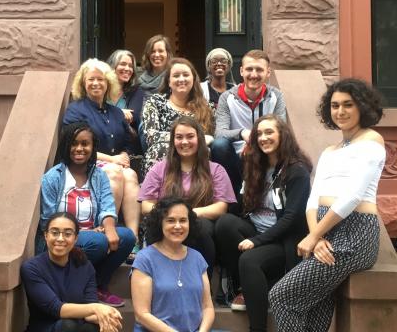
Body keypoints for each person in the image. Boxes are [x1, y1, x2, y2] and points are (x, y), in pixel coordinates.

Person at [269, 78, 386, 332]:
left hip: (356, 234)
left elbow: (353, 196)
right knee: (314, 304)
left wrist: (315, 234)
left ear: (362, 107)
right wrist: (317, 236)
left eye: (348, 105)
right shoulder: (330, 151)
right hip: (325, 230)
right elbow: (314, 197)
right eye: (335, 106)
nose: (340, 111)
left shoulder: (372, 140)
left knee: (281, 297)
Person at [215, 115, 312, 332]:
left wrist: (256, 241)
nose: (263, 138)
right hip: (255, 227)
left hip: (282, 239)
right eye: (259, 133)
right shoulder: (255, 164)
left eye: (269, 132)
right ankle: (245, 286)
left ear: (283, 135)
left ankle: (257, 328)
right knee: (224, 224)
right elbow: (241, 205)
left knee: (250, 260)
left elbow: (292, 218)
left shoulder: (297, 171)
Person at [38, 122, 136, 307]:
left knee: (127, 237)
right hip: (61, 237)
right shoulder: (53, 177)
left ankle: (98, 285)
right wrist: (82, 234)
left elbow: (107, 205)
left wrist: (109, 229)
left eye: (85, 144)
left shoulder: (98, 175)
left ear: (93, 147)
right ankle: (71, 286)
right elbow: (48, 219)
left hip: (92, 235)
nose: (79, 149)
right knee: (97, 242)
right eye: (74, 143)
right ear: (66, 145)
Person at [139, 116, 236, 275]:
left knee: (200, 227)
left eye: (190, 136)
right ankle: (160, 279)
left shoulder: (216, 170)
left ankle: (202, 282)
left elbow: (221, 207)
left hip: (201, 225)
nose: (184, 142)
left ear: (199, 139)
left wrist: (187, 215)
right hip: (165, 224)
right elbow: (146, 206)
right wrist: (173, 216)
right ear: (173, 141)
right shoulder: (159, 169)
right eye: (179, 137)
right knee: (155, 226)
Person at [63, 59, 141, 247]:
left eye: (101, 79)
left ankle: (133, 238)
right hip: (84, 165)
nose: (96, 83)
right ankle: (106, 230)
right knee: (114, 171)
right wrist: (113, 159)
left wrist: (124, 156)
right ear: (83, 83)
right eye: (91, 80)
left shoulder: (115, 112)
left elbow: (128, 144)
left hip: (113, 164)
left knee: (130, 174)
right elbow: (74, 147)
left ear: (108, 83)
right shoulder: (76, 110)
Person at [22, 212, 123, 332]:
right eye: (54, 233)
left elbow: (89, 309)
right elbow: (56, 309)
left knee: (94, 327)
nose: (60, 239)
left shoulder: (85, 266)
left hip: (76, 327)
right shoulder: (32, 268)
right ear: (46, 235)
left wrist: (108, 318)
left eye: (67, 234)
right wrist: (97, 308)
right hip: (47, 328)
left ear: (75, 238)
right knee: (68, 325)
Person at [210, 49, 287, 204]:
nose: (253, 74)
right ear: (241, 71)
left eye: (259, 70)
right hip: (237, 157)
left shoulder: (276, 96)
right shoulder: (228, 97)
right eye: (249, 69)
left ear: (268, 72)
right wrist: (242, 133)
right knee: (219, 145)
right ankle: (230, 195)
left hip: (265, 151)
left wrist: (257, 139)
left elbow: (281, 130)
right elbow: (220, 132)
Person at [131, 197, 215, 332]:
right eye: (171, 220)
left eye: (183, 220)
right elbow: (142, 315)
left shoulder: (197, 258)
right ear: (160, 223)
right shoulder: (145, 259)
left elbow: (207, 307)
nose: (178, 226)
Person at [141, 57, 214, 176]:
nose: (181, 79)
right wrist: (189, 140)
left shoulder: (207, 107)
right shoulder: (155, 103)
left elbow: (212, 137)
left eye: (185, 75)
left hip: (196, 160)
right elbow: (151, 136)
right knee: (162, 148)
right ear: (168, 81)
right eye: (176, 76)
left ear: (193, 79)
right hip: (161, 159)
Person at [107, 49, 145, 155]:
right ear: (112, 66)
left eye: (130, 66)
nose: (127, 69)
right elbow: (94, 111)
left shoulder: (136, 90)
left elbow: (133, 117)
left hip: (126, 145)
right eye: (123, 64)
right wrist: (120, 112)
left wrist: (107, 114)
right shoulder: (102, 88)